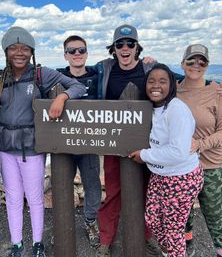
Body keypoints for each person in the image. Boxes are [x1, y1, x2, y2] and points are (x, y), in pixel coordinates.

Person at [0, 27, 86, 257]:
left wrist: (62, 97)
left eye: (25, 48)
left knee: (34, 198)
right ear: (6, 50)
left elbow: (78, 86)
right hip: (5, 148)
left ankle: (37, 245)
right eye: (14, 47)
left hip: (32, 148)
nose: (19, 52)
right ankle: (16, 245)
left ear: (32, 51)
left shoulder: (41, 74)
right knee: (13, 198)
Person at [94, 24, 169, 257]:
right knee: (113, 193)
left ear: (137, 47)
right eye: (120, 44)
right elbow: (77, 74)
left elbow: (176, 82)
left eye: (130, 43)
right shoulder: (103, 69)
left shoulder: (149, 69)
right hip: (113, 144)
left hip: (147, 145)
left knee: (147, 192)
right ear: (113, 48)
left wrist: (213, 85)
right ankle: (106, 240)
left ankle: (147, 236)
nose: (125, 48)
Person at [128, 63, 204, 257]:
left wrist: (144, 155)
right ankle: (169, 252)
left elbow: (177, 152)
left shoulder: (177, 110)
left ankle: (175, 253)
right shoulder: (152, 108)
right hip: (160, 174)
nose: (156, 85)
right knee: (152, 219)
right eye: (151, 81)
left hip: (181, 178)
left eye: (163, 81)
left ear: (171, 85)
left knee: (173, 231)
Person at [177, 44, 222, 257]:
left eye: (202, 62)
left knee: (214, 213)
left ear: (207, 65)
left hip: (210, 164)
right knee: (184, 210)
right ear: (182, 64)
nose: (196, 65)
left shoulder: (218, 91)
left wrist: (199, 144)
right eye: (191, 61)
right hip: (182, 164)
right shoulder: (174, 89)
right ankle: (186, 241)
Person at [56, 35, 103, 248]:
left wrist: (208, 82)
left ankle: (90, 221)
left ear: (87, 53)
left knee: (92, 184)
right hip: (63, 145)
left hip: (90, 144)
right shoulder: (56, 77)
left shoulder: (98, 75)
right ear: (65, 55)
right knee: (61, 185)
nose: (77, 54)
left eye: (81, 50)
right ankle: (62, 225)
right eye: (72, 50)